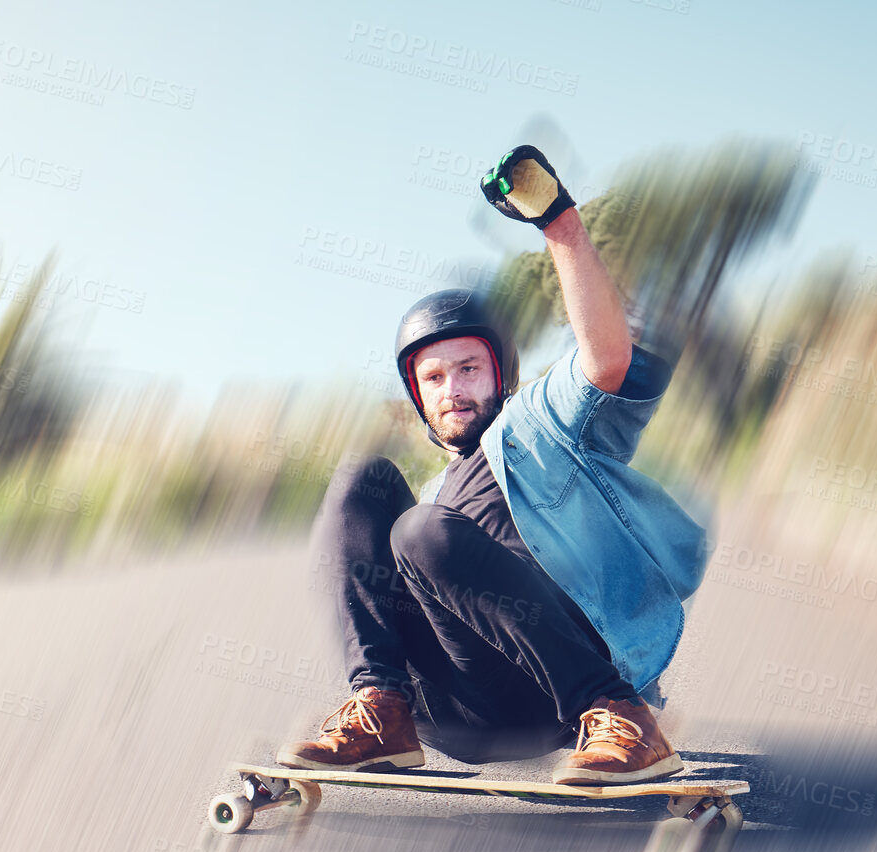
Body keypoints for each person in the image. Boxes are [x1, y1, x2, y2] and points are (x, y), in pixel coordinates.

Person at [279, 145, 710, 785]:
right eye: (433, 377)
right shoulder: (434, 493)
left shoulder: (541, 425)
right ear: (418, 396)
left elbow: (607, 360)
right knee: (364, 482)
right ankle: (382, 710)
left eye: (468, 369)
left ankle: (618, 713)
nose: (452, 389)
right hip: (458, 712)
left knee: (421, 529)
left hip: (556, 696)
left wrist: (559, 223)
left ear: (500, 374)